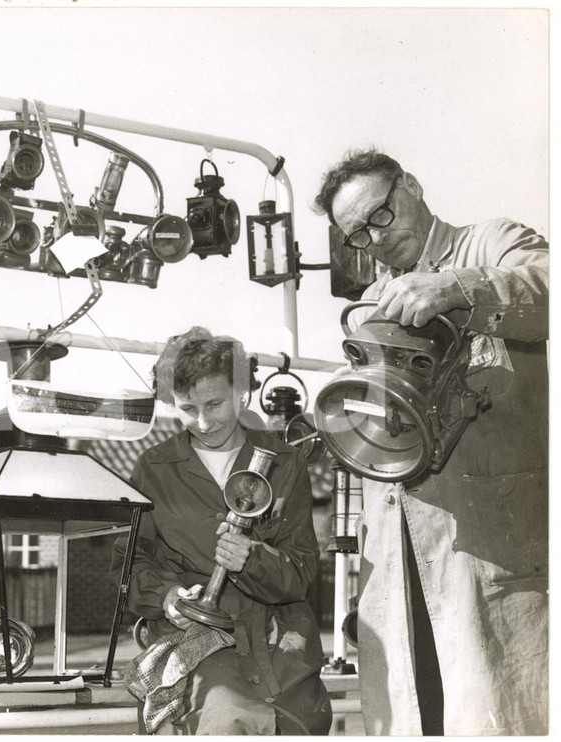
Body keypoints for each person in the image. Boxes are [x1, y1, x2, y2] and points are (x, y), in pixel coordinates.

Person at [312, 148, 548, 735]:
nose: (377, 238)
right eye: (359, 234)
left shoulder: (492, 243)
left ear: (410, 186)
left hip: (491, 554)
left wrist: (458, 290)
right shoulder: (369, 307)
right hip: (397, 564)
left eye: (381, 215)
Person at [116, 327, 332, 735]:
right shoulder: (153, 468)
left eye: (214, 403)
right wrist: (166, 598)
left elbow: (301, 571)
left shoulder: (285, 462)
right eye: (186, 408)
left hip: (283, 646)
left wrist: (253, 558)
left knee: (303, 723)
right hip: (195, 645)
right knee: (226, 720)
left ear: (241, 393)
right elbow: (128, 564)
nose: (203, 421)